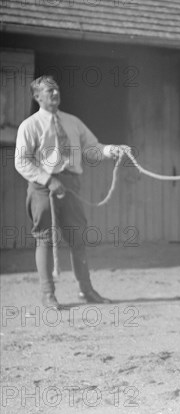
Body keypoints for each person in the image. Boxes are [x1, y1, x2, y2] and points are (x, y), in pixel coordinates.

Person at [14, 75, 130, 309]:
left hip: (71, 186)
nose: (55, 94)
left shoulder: (73, 122)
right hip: (42, 188)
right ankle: (48, 295)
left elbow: (92, 148)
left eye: (56, 90)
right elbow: (21, 161)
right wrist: (47, 179)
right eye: (49, 91)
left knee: (78, 237)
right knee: (45, 238)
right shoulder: (30, 125)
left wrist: (111, 150)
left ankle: (86, 290)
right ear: (37, 97)